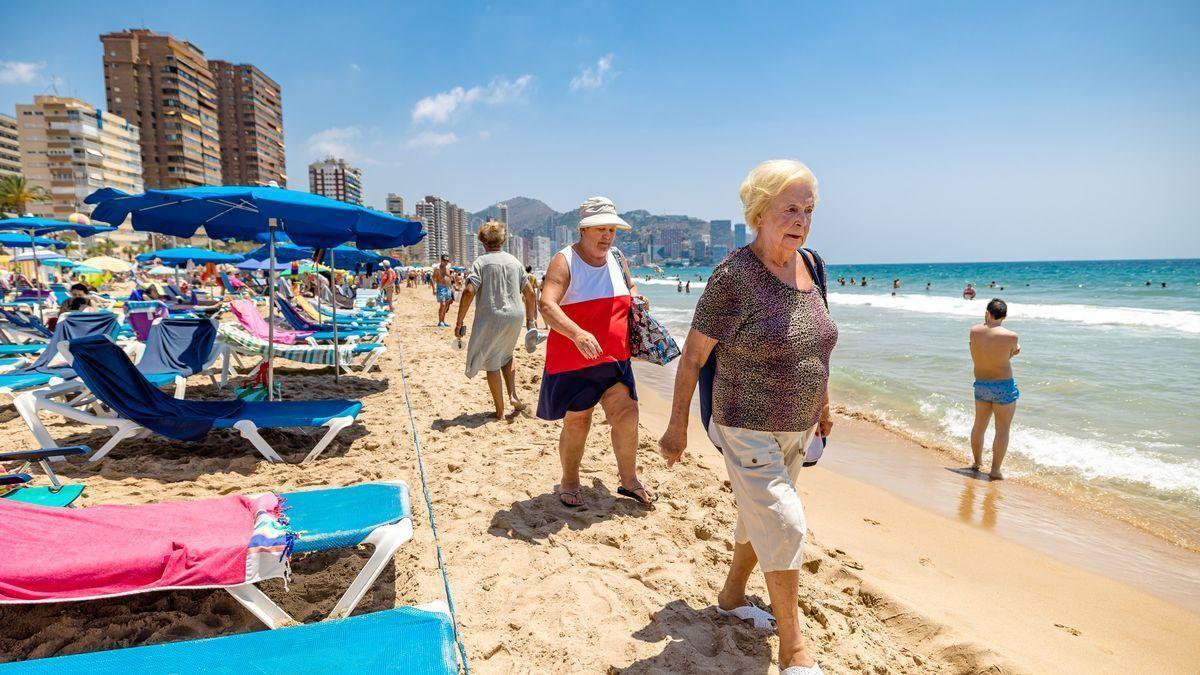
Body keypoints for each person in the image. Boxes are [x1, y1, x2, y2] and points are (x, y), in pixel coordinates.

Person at [659, 160, 835, 675]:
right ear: (760, 212)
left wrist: (824, 405)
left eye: (808, 210)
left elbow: (819, 344)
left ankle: (733, 594)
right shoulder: (733, 275)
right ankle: (795, 651)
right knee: (783, 521)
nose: (800, 219)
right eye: (789, 209)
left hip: (799, 425)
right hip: (742, 422)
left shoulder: (814, 265)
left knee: (757, 517)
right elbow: (692, 356)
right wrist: (677, 427)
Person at [537, 196, 655, 508]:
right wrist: (577, 333)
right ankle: (570, 480)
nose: (607, 235)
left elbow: (629, 290)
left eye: (611, 230)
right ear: (583, 229)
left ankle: (629, 480)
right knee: (578, 421)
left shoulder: (617, 258)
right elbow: (546, 304)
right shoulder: (564, 260)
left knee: (628, 415)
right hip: (576, 361)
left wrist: (637, 298)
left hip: (615, 359)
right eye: (599, 228)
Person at [455, 221, 539, 419]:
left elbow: (468, 291)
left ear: (483, 241)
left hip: (492, 315)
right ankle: (513, 395)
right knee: (507, 355)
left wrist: (459, 322)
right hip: (515, 315)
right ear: (503, 240)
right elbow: (530, 294)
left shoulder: (481, 262)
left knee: (492, 360)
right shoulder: (514, 261)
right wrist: (531, 321)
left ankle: (500, 411)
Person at [969, 298, 1020, 480]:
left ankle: (976, 462)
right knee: (1002, 429)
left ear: (987, 313)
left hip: (981, 383)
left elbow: (977, 351)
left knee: (979, 425)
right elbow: (1010, 354)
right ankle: (995, 470)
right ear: (1005, 316)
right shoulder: (1011, 336)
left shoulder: (974, 331)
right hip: (1003, 385)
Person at [433, 254, 454, 327]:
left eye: (447, 261)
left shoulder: (448, 269)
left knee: (446, 306)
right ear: (441, 260)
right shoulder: (437, 269)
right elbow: (433, 279)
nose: (446, 262)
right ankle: (440, 321)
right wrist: (434, 289)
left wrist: (451, 288)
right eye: (445, 260)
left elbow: (450, 278)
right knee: (443, 305)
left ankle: (443, 321)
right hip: (441, 288)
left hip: (448, 288)